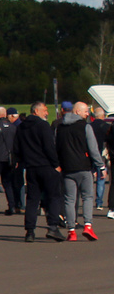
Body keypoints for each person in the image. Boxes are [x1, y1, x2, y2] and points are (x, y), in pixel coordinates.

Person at [13, 101, 66, 242]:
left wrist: (22, 161)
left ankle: (30, 231)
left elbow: (16, 148)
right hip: (46, 166)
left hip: (31, 167)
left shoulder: (21, 127)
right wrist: (56, 164)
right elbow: (49, 146)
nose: (46, 113)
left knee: (32, 199)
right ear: (36, 111)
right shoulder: (43, 126)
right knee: (54, 196)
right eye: (44, 110)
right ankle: (53, 227)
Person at [56, 101, 105, 241]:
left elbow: (57, 147)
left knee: (69, 199)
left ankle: (71, 230)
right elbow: (93, 149)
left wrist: (58, 164)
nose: (88, 113)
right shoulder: (85, 127)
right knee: (87, 197)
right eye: (85, 111)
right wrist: (100, 166)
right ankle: (88, 225)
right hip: (84, 167)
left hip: (67, 168)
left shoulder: (60, 127)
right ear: (77, 111)